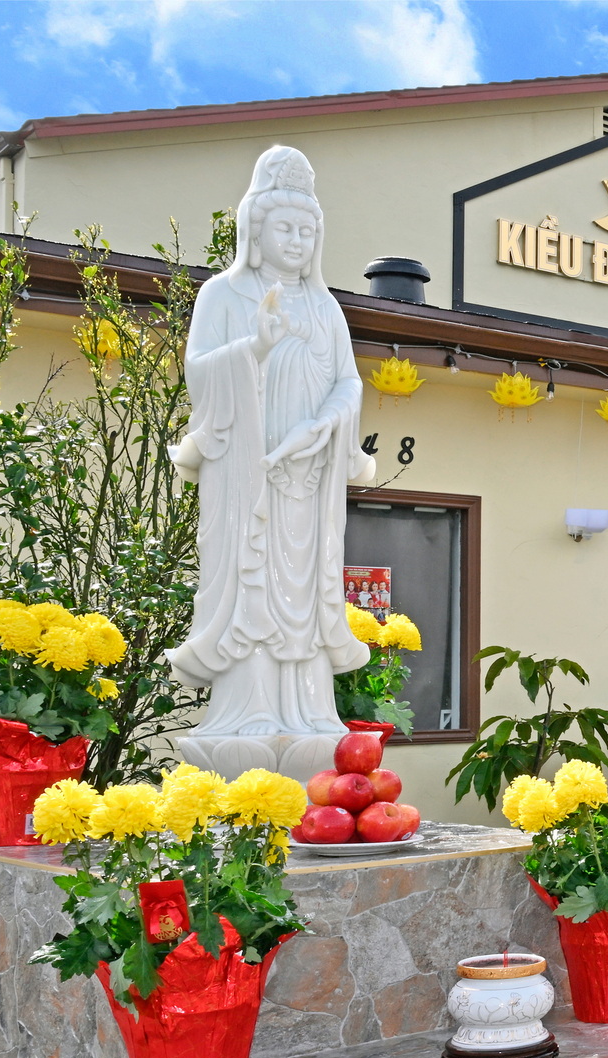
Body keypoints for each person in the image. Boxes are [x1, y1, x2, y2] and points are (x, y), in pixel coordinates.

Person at [167, 144, 373, 778]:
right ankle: (247, 711)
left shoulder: (325, 306)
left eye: (307, 231)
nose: (297, 241)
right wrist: (254, 347)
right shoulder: (223, 295)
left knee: (305, 591)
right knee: (251, 584)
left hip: (307, 477)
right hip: (246, 476)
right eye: (285, 228)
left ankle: (311, 712)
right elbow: (199, 371)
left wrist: (323, 424)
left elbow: (348, 381)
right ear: (254, 231)